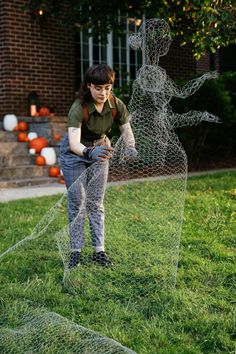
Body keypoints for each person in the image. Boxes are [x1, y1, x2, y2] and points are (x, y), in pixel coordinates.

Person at [60, 64, 137, 269]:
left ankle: (99, 251)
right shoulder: (79, 108)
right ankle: (75, 252)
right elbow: (75, 143)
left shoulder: (116, 104)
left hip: (101, 150)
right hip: (74, 154)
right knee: (77, 202)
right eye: (98, 88)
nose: (103, 93)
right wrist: (88, 152)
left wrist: (130, 146)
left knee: (96, 202)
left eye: (108, 88)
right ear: (89, 86)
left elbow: (126, 129)